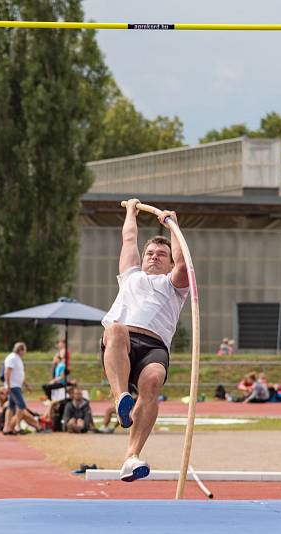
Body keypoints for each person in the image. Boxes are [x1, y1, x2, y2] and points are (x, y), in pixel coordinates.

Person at [101, 198, 190, 482]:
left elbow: (184, 265)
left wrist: (172, 226)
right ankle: (121, 399)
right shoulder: (130, 277)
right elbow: (129, 239)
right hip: (122, 343)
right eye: (150, 252)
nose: (153, 256)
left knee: (153, 380)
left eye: (161, 254)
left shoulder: (174, 286)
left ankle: (131, 457)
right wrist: (130, 211)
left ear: (168, 261)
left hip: (154, 347)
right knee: (115, 328)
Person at [3, 342, 41, 434]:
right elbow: (7, 372)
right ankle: (17, 426)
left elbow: (19, 374)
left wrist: (26, 385)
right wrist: (8, 386)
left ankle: (7, 428)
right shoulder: (12, 358)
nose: (25, 352)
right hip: (13, 386)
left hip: (17, 385)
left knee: (11, 407)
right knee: (22, 405)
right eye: (24, 350)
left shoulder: (18, 359)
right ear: (20, 350)